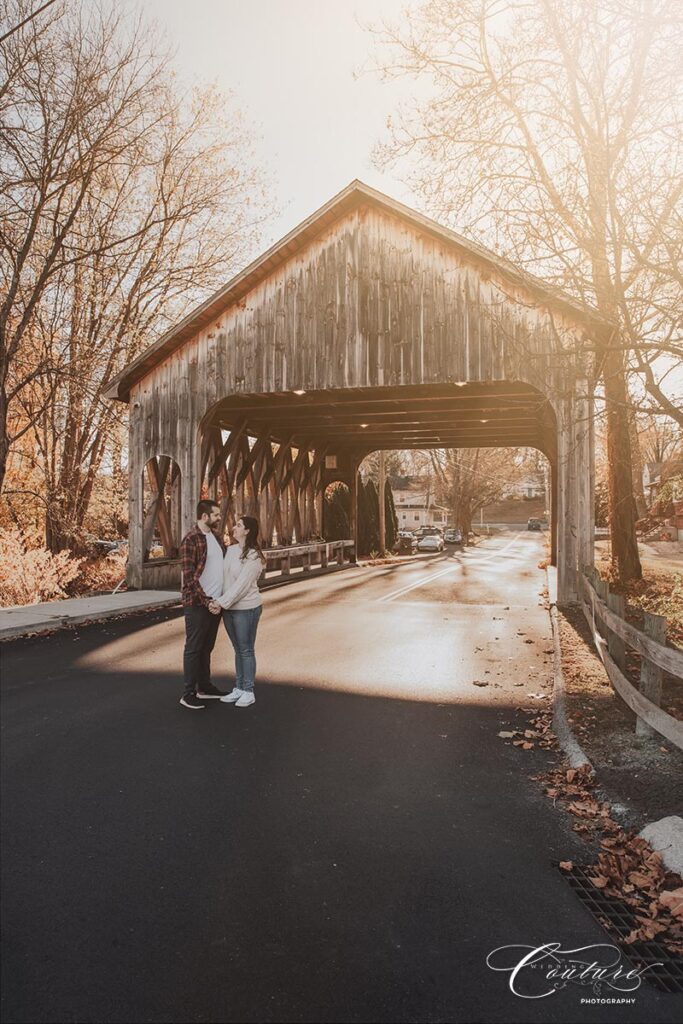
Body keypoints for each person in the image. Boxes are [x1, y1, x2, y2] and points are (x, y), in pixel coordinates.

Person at [209, 515, 266, 708]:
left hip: (246, 609)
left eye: (239, 525)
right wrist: (216, 600)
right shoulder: (231, 550)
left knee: (246, 649)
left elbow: (242, 585)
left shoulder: (254, 556)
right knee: (237, 649)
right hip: (229, 608)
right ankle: (239, 687)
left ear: (248, 531)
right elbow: (223, 578)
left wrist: (221, 602)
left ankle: (248, 691)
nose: (234, 527)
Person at [179, 500, 228, 709]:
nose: (219, 518)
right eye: (216, 515)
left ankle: (205, 687)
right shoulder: (191, 539)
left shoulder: (216, 538)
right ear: (205, 516)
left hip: (215, 602)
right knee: (194, 647)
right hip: (198, 603)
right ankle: (188, 693)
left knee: (207, 647)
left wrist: (221, 599)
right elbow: (189, 577)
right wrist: (206, 600)